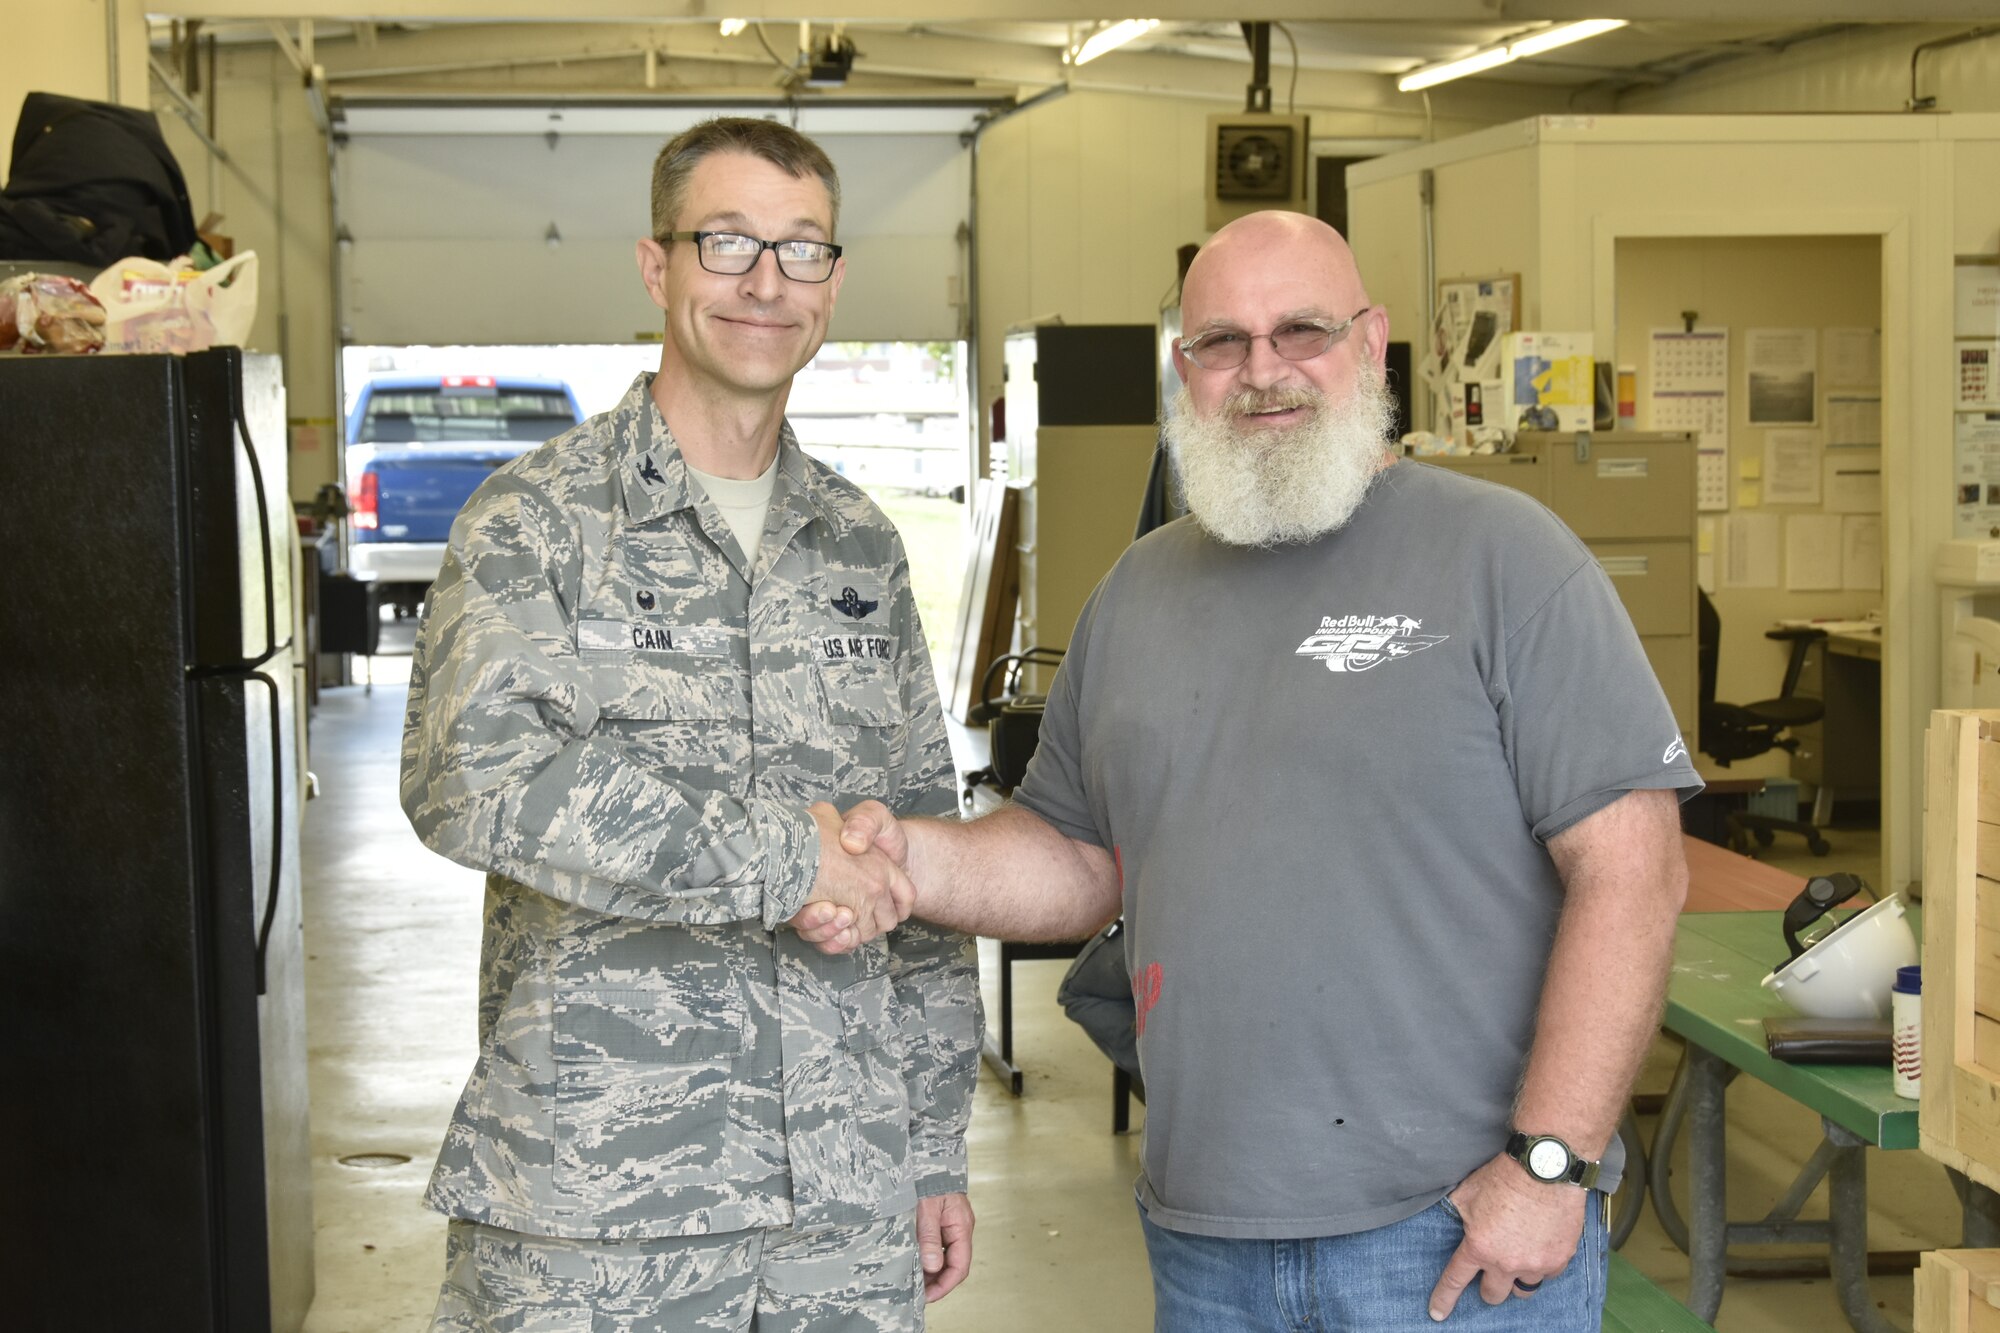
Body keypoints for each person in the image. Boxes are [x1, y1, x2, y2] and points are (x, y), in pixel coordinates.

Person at [821, 209, 1698, 1330]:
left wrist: (1547, 1163)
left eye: (1300, 331)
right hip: (1206, 1240)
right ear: (1181, 368)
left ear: (1370, 342)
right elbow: (1077, 856)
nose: (1261, 372)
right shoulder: (1135, 595)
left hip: (1450, 1241)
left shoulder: (1506, 558)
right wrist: (906, 861)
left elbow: (1633, 873)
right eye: (1221, 342)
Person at [400, 116, 978, 1333]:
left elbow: (926, 844)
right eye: (726, 244)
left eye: (802, 249)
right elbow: (471, 777)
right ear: (656, 267)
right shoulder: (536, 521)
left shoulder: (860, 544)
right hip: (595, 1212)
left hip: (841, 1204)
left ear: (832, 281)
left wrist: (932, 1139)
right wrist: (787, 857)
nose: (766, 283)